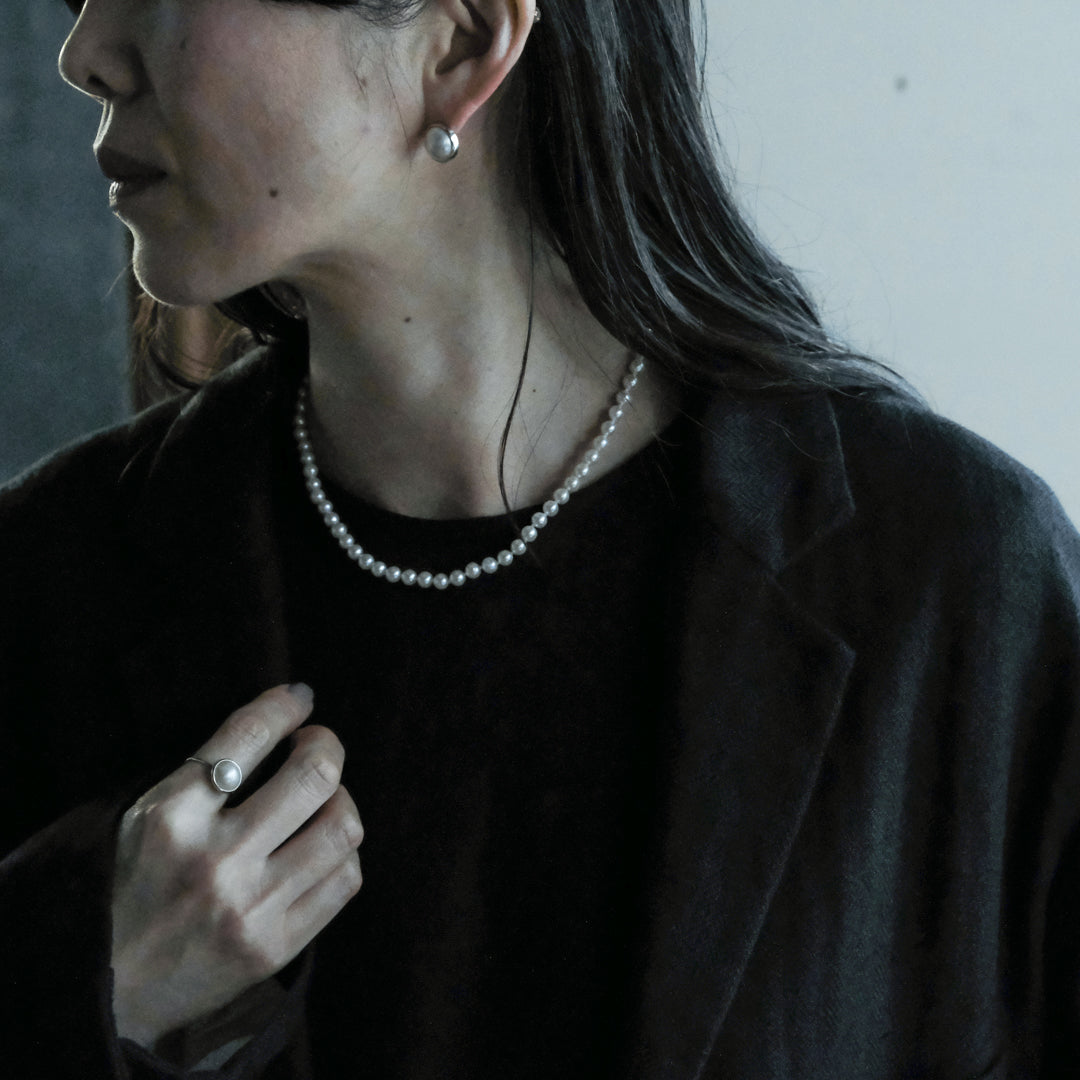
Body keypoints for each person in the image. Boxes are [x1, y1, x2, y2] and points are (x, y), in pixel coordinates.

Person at [1, 0, 1078, 1076]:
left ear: (462, 44)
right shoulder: (45, 581)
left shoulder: (952, 590)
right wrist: (77, 984)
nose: (86, 53)